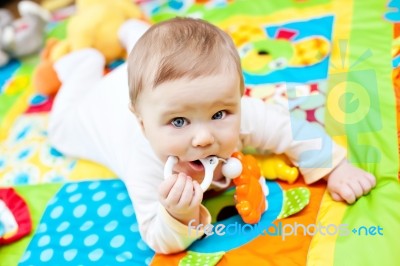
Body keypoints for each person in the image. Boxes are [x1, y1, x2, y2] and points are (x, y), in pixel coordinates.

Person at [48, 17, 376, 254]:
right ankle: (84, 65)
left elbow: (288, 128)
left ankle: (137, 35)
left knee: (158, 55)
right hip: (96, 109)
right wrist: (178, 215)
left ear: (239, 94)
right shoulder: (145, 162)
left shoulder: (237, 110)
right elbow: (157, 237)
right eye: (178, 122)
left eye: (220, 114)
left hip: (155, 88)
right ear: (143, 124)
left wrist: (335, 166)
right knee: (59, 132)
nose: (203, 137)